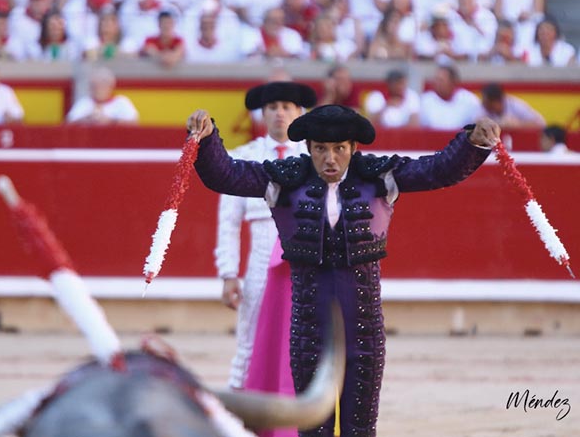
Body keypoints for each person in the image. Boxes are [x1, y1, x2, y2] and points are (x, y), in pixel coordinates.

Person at [187, 104, 500, 437]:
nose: (330, 159)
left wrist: (472, 143)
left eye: (339, 149)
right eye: (321, 149)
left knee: (360, 429)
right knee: (313, 429)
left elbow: (437, 170)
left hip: (363, 330)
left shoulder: (380, 176)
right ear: (308, 149)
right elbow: (226, 174)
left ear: (353, 147)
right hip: (308, 329)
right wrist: (207, 140)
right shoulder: (284, 179)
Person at [215, 81, 316, 390]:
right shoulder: (243, 157)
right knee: (249, 337)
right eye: (273, 108)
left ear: (299, 113)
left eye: (287, 107)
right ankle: (241, 413)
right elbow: (229, 221)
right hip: (260, 255)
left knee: (307, 338)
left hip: (305, 255)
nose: (279, 114)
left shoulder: (317, 157)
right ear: (262, 114)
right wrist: (228, 273)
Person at [66, 66, 138, 124]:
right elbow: (69, 123)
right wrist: (87, 119)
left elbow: (133, 123)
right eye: (93, 86)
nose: (96, 89)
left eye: (101, 85)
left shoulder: (121, 102)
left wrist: (111, 121)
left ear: (110, 86)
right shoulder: (84, 102)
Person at [419, 64, 482, 130]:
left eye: (441, 80)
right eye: (436, 79)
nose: (436, 83)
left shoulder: (470, 100)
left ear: (453, 82)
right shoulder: (425, 100)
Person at [478, 83, 545, 128]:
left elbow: (540, 123)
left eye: (487, 103)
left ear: (497, 101)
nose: (484, 105)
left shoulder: (516, 105)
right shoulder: (484, 108)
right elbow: (476, 123)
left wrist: (518, 124)